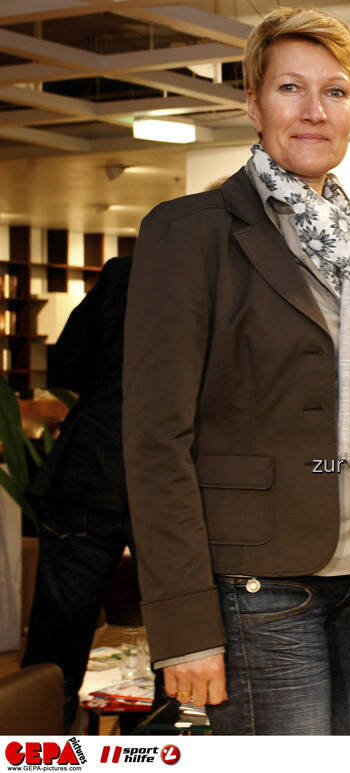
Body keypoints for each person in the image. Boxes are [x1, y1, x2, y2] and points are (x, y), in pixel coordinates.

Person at [122, 7, 350, 735]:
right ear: (252, 102)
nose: (314, 112)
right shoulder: (191, 232)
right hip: (256, 583)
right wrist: (184, 626)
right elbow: (156, 443)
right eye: (290, 89)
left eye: (335, 92)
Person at [22, 256, 133, 731]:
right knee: (187, 643)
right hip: (178, 478)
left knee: (55, 650)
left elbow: (67, 362)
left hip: (92, 467)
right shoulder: (238, 275)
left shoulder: (128, 272)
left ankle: (35, 757)